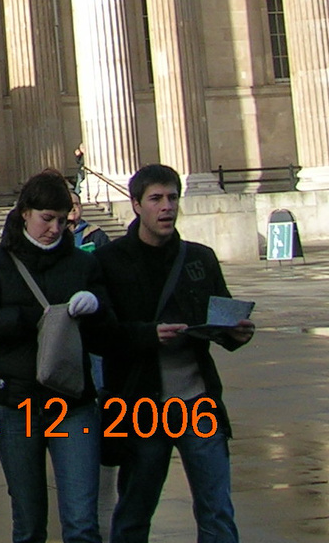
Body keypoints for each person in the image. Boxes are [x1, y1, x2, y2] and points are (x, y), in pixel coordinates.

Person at [98, 163, 254, 543]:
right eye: (156, 199)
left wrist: (236, 333)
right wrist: (150, 335)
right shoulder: (109, 261)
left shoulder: (199, 258)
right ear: (136, 205)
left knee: (217, 510)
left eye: (172, 198)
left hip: (198, 401)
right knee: (135, 509)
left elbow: (222, 314)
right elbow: (100, 335)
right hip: (142, 404)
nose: (167, 207)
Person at [0, 170, 114, 543]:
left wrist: (95, 308)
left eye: (62, 221)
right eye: (47, 218)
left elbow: (107, 334)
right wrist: (34, 318)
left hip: (73, 401)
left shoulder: (82, 264)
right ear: (25, 214)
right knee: (29, 522)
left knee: (82, 522)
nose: (55, 228)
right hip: (16, 403)